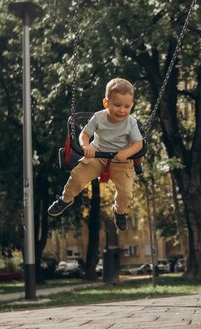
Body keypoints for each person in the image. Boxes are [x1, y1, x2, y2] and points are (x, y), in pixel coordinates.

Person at [48, 77, 143, 231]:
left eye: (127, 106)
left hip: (121, 160)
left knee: (126, 192)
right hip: (97, 155)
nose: (122, 110)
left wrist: (126, 153)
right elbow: (84, 135)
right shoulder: (99, 117)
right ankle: (65, 199)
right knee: (77, 176)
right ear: (106, 103)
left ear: (131, 106)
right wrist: (86, 146)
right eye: (117, 105)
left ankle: (119, 211)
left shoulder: (131, 123)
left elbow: (138, 144)